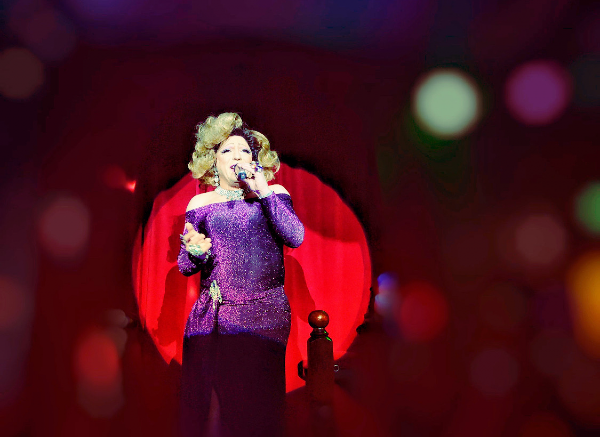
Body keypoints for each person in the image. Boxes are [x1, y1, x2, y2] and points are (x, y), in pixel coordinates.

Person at [177, 112, 304, 437]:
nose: (237, 156)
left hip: (265, 314)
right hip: (216, 316)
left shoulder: (273, 193)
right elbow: (186, 266)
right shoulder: (200, 202)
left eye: (245, 151)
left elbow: (295, 236)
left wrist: (263, 190)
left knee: (260, 408)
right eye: (228, 150)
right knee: (217, 410)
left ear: (255, 160)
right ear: (213, 160)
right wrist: (196, 251)